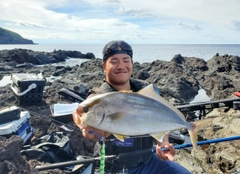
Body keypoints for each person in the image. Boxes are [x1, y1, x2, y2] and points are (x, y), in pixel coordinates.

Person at [73, 40, 191, 174]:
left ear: (132, 64)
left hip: (149, 161)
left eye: (125, 60)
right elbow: (87, 120)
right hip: (115, 168)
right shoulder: (99, 97)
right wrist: (91, 131)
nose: (121, 66)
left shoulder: (145, 89)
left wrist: (163, 143)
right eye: (114, 61)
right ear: (103, 66)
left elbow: (159, 117)